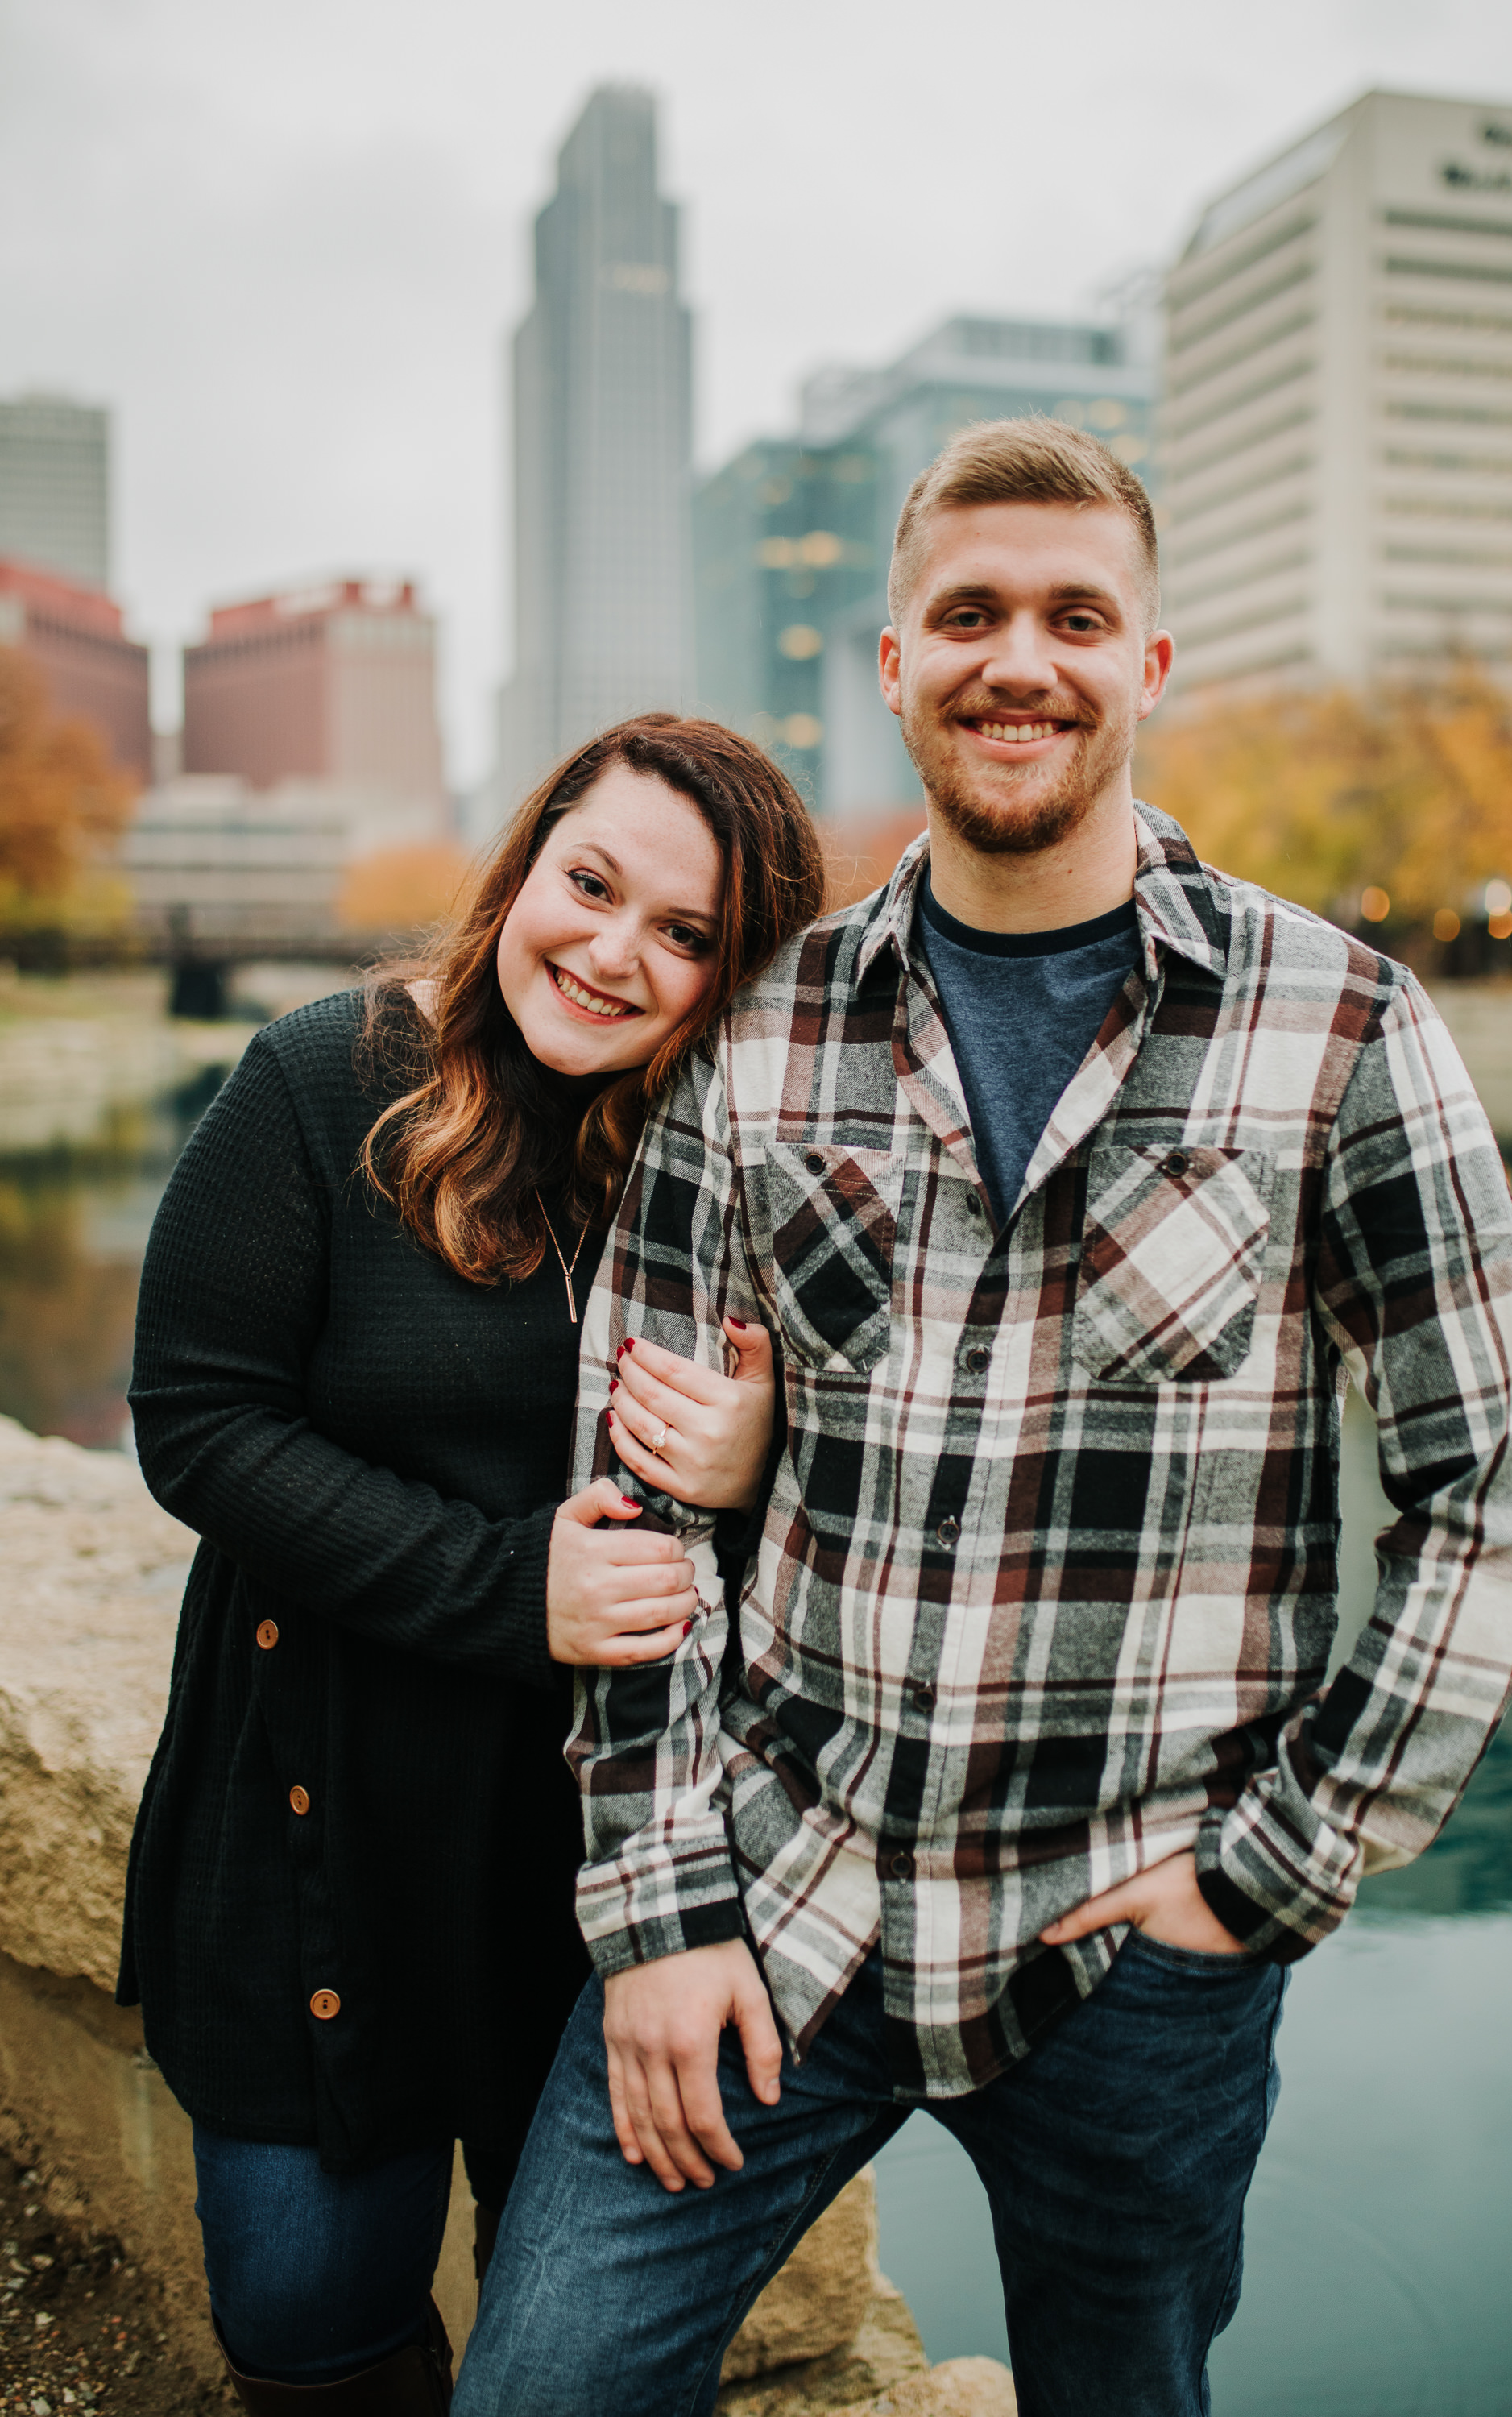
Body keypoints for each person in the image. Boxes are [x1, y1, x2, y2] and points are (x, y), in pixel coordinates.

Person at [458, 422, 1512, 2417]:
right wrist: (650, 1915)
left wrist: (1278, 1869)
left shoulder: (1336, 1028)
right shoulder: (764, 1035)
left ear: (1149, 670)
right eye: (967, 614)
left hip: (1135, 1957)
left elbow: (1494, 1485)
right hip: (774, 1904)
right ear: (889, 663)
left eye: (1077, 617)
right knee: (543, 2387)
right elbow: (634, 1507)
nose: (1019, 661)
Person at [118, 715, 825, 2411]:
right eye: (589, 885)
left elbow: (889, 1490)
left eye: (684, 937)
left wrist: (759, 1456)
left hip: (596, 1868)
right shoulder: (323, 1077)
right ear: (526, 864)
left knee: (572, 2348)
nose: (610, 953)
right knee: (306, 2325)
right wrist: (509, 1588)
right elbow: (195, 1421)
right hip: (316, 1826)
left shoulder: (743, 1160)